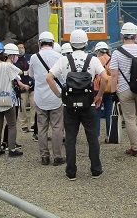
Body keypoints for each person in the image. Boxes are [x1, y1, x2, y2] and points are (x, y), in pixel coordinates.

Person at [46, 29, 108, 180]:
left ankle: (71, 172)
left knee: (71, 138)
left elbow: (49, 77)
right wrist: (98, 96)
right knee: (92, 137)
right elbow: (105, 78)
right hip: (88, 104)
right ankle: (95, 169)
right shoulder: (92, 59)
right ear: (86, 43)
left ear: (71, 44)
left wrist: (60, 95)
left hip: (70, 105)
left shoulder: (64, 60)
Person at [109, 22, 137, 156]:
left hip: (124, 89)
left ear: (122, 35)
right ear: (135, 35)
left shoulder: (117, 52)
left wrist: (113, 91)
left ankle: (135, 148)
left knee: (129, 119)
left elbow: (113, 74)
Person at [29, 31, 65, 166]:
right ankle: (58, 156)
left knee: (42, 128)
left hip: (40, 97)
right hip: (56, 96)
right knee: (56, 127)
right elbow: (62, 76)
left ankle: (44, 156)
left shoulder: (34, 57)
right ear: (53, 43)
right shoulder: (59, 56)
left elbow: (31, 75)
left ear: (40, 43)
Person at [2, 43, 29, 150]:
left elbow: (16, 79)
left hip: (5, 96)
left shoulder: (2, 65)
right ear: (10, 55)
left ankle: (5, 142)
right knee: (12, 122)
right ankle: (10, 144)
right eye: (15, 55)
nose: (17, 57)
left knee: (5, 123)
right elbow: (20, 73)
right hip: (12, 97)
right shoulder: (9, 66)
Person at [93, 41, 113, 143]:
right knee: (109, 112)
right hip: (109, 88)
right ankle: (109, 136)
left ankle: (96, 136)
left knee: (97, 112)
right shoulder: (111, 60)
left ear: (98, 51)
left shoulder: (95, 60)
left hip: (97, 88)